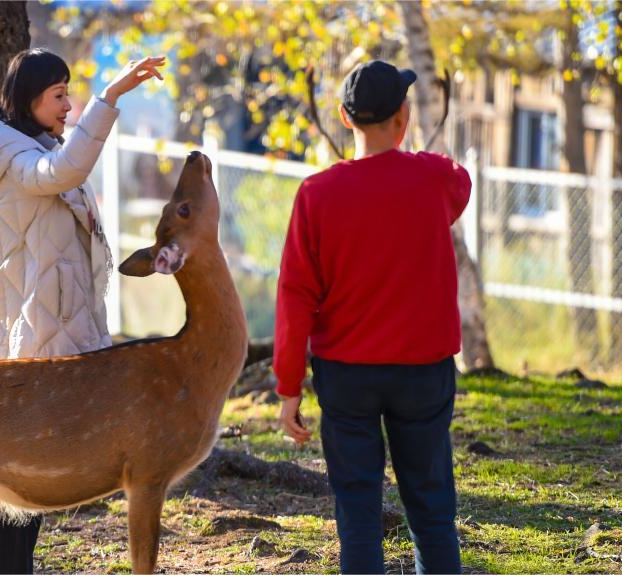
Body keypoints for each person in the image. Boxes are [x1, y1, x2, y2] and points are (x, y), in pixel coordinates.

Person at [0, 48, 165, 574]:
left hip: (42, 334)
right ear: (28, 99)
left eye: (71, 94)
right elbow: (60, 174)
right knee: (14, 478)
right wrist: (108, 99)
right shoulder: (8, 153)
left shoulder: (31, 146)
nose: (69, 105)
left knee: (0, 474)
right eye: (59, 95)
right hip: (25, 342)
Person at [273, 60, 469, 575]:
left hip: (346, 375)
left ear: (342, 116)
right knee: (432, 512)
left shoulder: (315, 194)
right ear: (404, 118)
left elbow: (295, 293)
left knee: (357, 512)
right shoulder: (432, 179)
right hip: (423, 371)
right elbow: (459, 182)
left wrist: (289, 383)